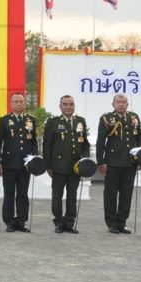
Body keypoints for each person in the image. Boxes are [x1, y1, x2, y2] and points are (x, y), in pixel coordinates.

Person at [42, 94, 90, 234]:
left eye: (71, 104)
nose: (68, 107)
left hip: (75, 167)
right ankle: (58, 222)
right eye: (65, 104)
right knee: (57, 195)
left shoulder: (80, 121)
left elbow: (84, 144)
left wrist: (85, 160)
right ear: (60, 106)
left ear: (74, 106)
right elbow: (47, 145)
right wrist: (48, 165)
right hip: (58, 166)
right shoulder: (53, 122)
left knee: (72, 195)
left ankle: (69, 223)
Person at [96, 94, 141, 235]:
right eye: (118, 102)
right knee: (110, 194)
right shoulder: (106, 118)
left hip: (130, 162)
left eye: (123, 102)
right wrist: (101, 161)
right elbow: (101, 141)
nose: (121, 104)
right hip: (113, 162)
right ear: (113, 104)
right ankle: (112, 223)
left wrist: (140, 158)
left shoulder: (134, 117)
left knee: (126, 194)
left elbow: (139, 137)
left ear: (127, 104)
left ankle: (122, 222)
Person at [0, 93, 37, 232]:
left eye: (21, 101)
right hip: (9, 164)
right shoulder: (4, 120)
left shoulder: (31, 120)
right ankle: (9, 221)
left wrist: (34, 160)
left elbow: (34, 142)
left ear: (25, 103)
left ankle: (21, 221)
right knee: (9, 194)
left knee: (23, 193)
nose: (19, 104)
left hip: (26, 164)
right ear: (11, 104)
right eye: (16, 101)